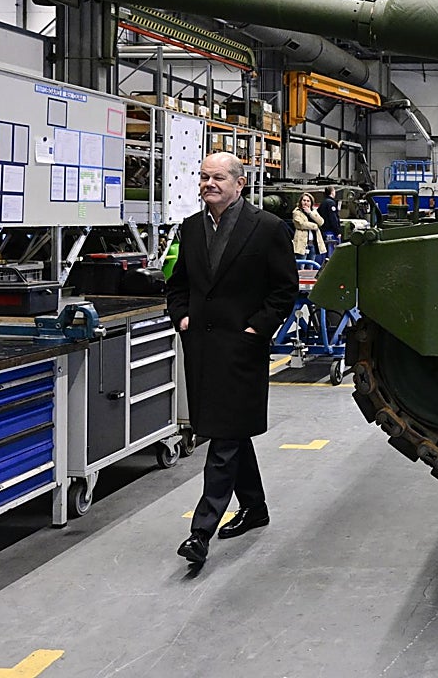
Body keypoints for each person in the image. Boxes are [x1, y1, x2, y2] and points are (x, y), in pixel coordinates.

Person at [167, 152, 297, 565]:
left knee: (224, 440)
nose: (209, 184)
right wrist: (182, 317)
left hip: (242, 350)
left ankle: (200, 532)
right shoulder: (191, 228)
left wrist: (257, 329)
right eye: (204, 177)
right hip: (202, 349)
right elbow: (178, 283)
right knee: (232, 432)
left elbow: (284, 288)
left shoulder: (267, 228)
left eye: (218, 177)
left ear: (240, 184)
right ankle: (255, 508)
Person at [291, 192, 327, 263]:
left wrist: (310, 213)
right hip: (302, 243)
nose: (306, 202)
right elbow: (301, 224)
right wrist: (315, 226)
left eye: (308, 201)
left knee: (311, 264)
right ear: (301, 201)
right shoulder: (297, 212)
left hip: (313, 243)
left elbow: (321, 222)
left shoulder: (313, 212)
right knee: (301, 264)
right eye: (304, 200)